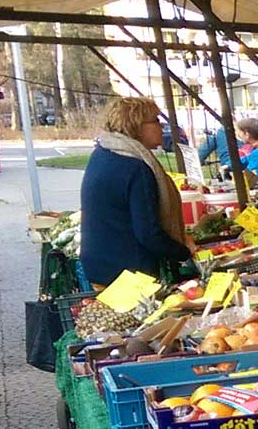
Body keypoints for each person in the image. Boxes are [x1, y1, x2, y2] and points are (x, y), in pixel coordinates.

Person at [79, 96, 194, 287]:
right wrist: (184, 251)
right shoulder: (135, 168)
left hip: (101, 265)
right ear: (137, 125)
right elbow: (149, 233)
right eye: (156, 121)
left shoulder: (105, 152)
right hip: (128, 274)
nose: (161, 127)